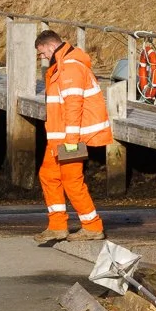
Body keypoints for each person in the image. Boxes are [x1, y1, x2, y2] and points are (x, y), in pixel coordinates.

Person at [33, 28, 110, 246]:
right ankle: (57, 225)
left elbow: (74, 105)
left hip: (68, 138)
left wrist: (71, 141)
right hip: (58, 137)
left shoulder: (70, 68)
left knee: (72, 181)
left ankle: (92, 226)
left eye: (42, 53)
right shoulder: (64, 65)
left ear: (50, 46)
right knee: (48, 175)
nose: (43, 58)